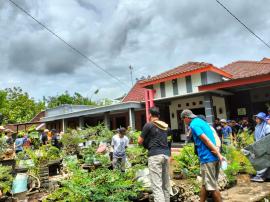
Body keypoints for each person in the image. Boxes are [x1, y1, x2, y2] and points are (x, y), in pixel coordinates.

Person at [181, 109, 223, 202]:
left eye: (183, 119)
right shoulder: (201, 122)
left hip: (208, 158)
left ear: (187, 117)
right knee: (205, 184)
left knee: (212, 187)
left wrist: (218, 154)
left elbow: (206, 140)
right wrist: (217, 152)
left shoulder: (194, 124)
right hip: (213, 157)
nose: (184, 122)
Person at [138, 107, 170, 202]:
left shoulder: (148, 125)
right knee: (165, 184)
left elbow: (139, 141)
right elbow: (169, 140)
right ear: (159, 116)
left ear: (150, 115)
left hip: (155, 156)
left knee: (157, 185)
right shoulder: (165, 126)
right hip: (166, 155)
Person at [251, 112, 270, 182]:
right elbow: (256, 136)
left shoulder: (267, 127)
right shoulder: (257, 126)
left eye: (258, 118)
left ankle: (260, 176)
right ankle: (267, 176)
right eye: (256, 118)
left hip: (265, 146)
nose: (256, 119)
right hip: (259, 145)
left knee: (262, 161)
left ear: (261, 119)